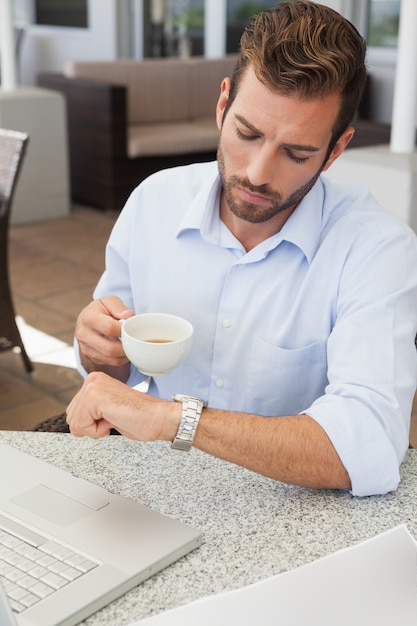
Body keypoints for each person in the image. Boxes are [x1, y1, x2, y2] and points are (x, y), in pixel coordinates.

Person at [66, 1, 417, 497]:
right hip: (152, 488)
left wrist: (176, 420)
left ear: (337, 149)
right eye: (247, 134)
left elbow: (371, 444)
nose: (257, 173)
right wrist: (97, 348)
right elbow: (112, 366)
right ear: (223, 103)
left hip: (294, 514)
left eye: (297, 153)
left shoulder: (377, 249)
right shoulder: (153, 202)